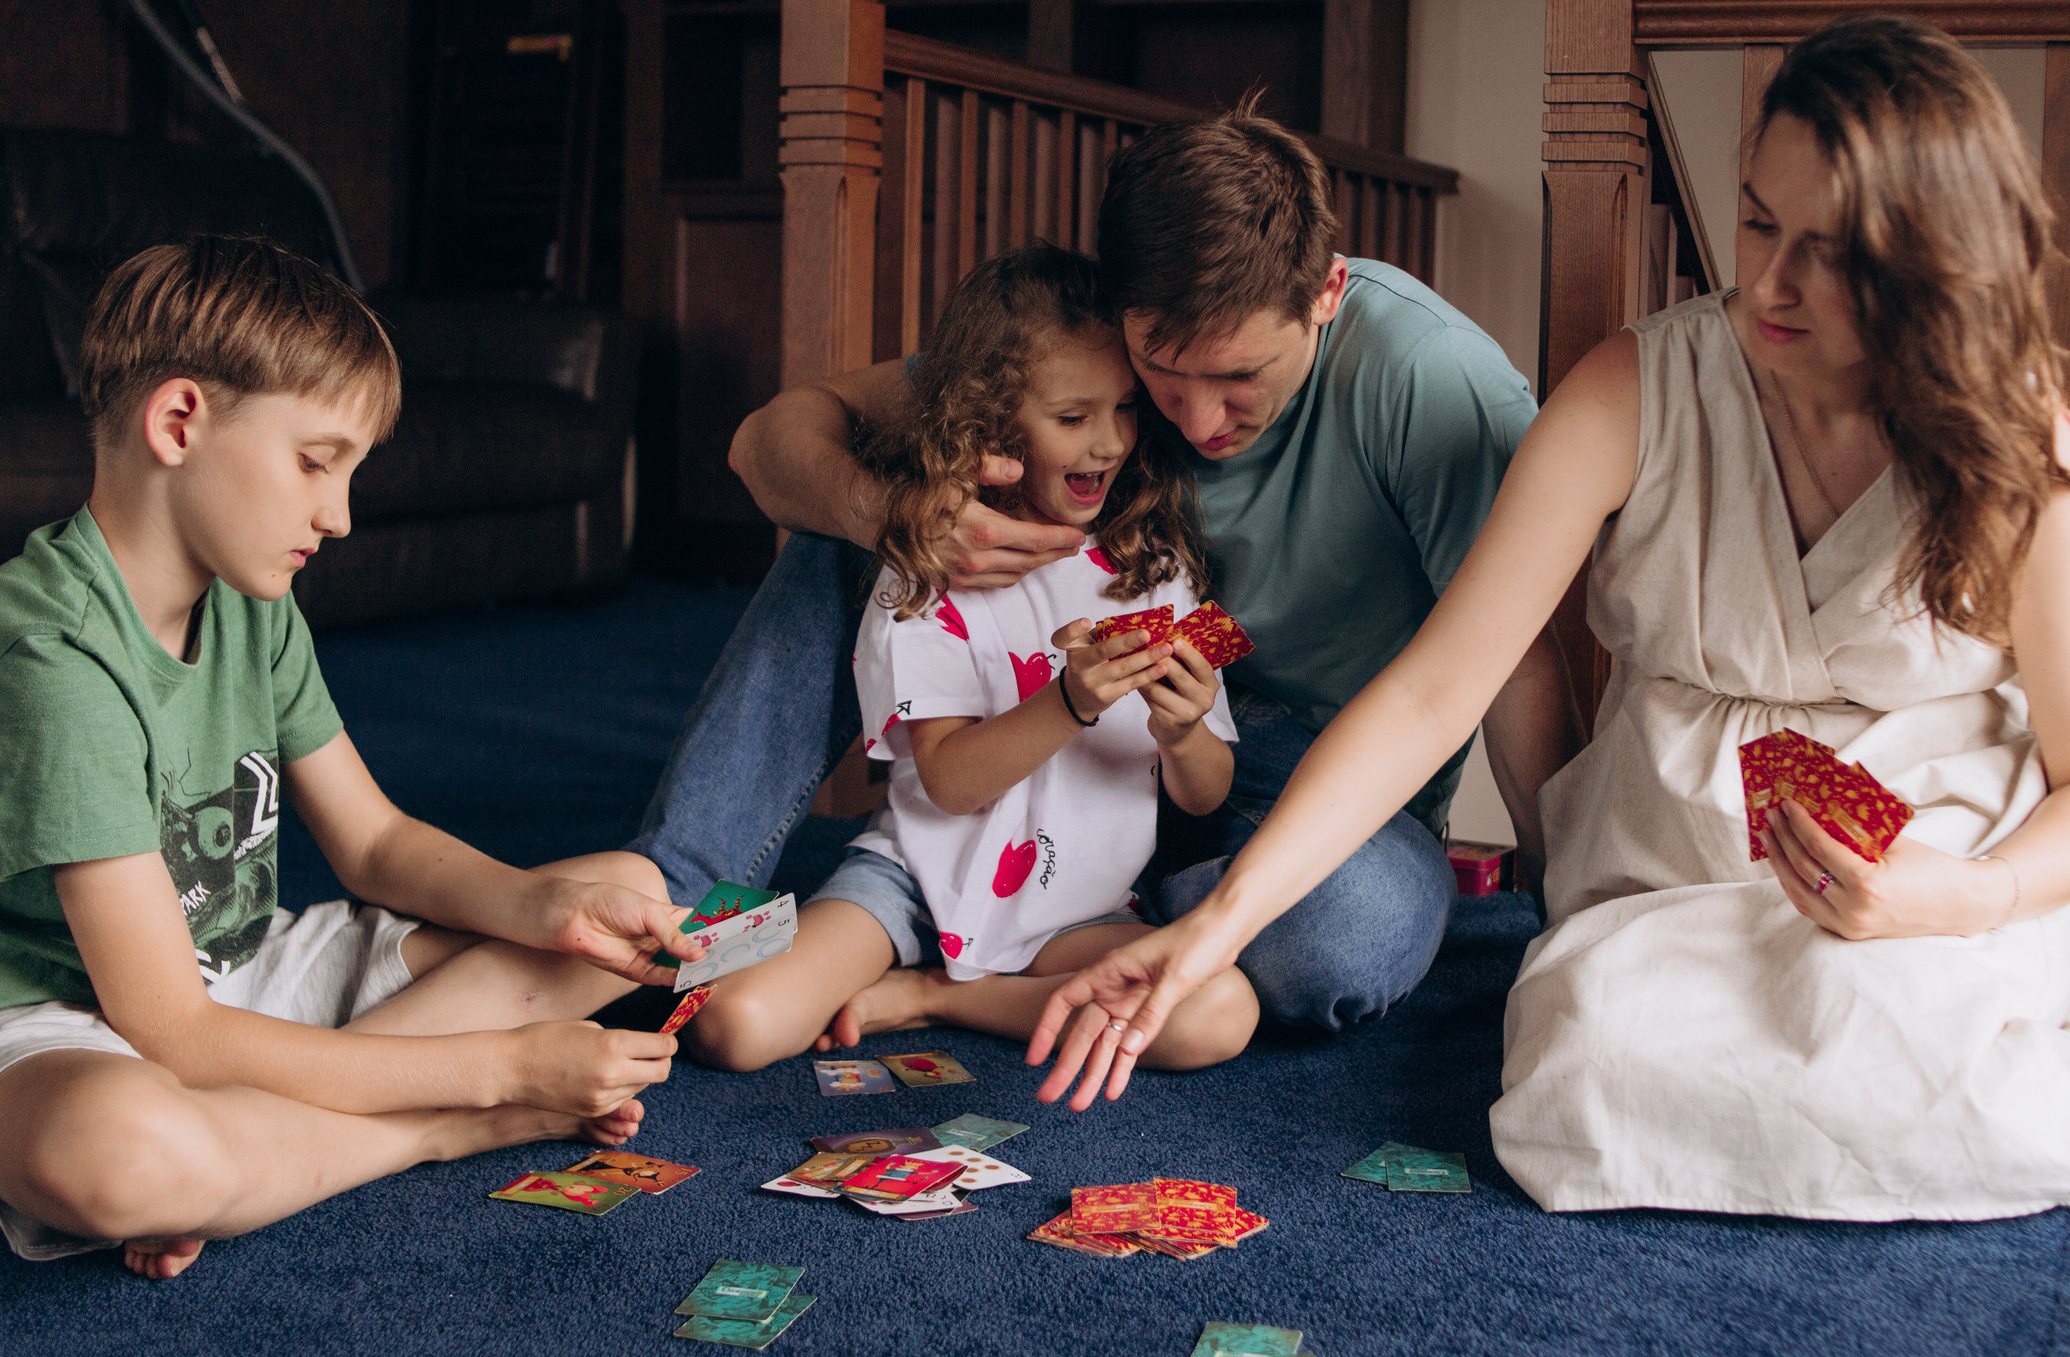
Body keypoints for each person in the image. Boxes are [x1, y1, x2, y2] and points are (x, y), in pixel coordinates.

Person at [1026, 16, 2070, 1215]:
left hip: (1932, 856)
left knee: (1963, 1102)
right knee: (1580, 1106)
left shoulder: (2019, 444)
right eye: (1758, 220)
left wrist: (1958, 894)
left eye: (1829, 251)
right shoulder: (1631, 388)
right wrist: (1210, 934)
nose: (1767, 283)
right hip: (1671, 856)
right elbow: (1433, 691)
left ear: (1931, 259)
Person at [637, 104, 1571, 1064]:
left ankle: (1091, 929)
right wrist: (898, 518)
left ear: (1327, 294)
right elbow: (767, 444)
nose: (1198, 420)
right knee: (867, 505)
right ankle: (668, 894)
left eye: (1240, 377)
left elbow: (1514, 660)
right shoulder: (1092, 356)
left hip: (1296, 776)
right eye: (1163, 375)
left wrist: (1568, 911)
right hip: (1063, 740)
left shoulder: (1430, 379)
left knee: (1349, 930)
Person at [0, 237, 700, 1279]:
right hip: (20, 1022)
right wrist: (493, 1077)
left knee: (615, 890)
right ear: (180, 422)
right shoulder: (47, 660)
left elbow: (376, 842)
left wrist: (544, 908)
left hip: (222, 975)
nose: (339, 515)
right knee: (122, 1154)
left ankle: (263, 1154)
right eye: (315, 462)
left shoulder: (250, 603)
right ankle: (426, 1133)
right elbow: (167, 1029)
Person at [680, 246, 1255, 1073]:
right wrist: (1073, 703)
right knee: (731, 1023)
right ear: (991, 420)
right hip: (915, 882)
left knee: (1218, 1011)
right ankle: (723, 918)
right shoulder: (929, 568)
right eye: (1072, 417)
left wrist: (1185, 730)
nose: (1108, 442)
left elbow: (1207, 791)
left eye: (1126, 409)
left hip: (1078, 911)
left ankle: (936, 997)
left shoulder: (1156, 571)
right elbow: (949, 781)